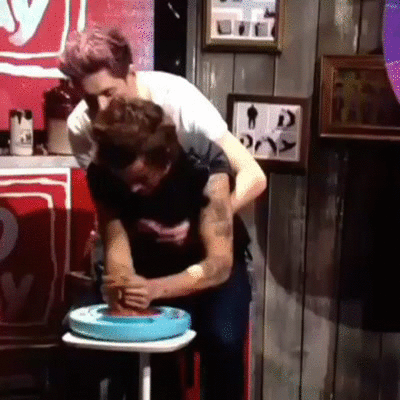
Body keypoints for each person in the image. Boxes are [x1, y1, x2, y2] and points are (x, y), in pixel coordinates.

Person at [84, 97, 253, 400]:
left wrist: (155, 289)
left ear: (165, 160)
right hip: (150, 261)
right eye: (125, 182)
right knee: (139, 348)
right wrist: (123, 286)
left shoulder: (203, 161)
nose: (133, 190)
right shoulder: (103, 172)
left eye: (141, 179)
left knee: (223, 338)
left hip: (209, 264)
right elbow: (117, 248)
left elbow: (218, 264)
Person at [59, 26, 266, 222]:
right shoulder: (80, 126)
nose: (102, 109)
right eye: (89, 100)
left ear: (131, 75)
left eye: (109, 93)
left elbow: (254, 176)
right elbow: (110, 200)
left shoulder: (178, 98)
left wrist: (204, 225)